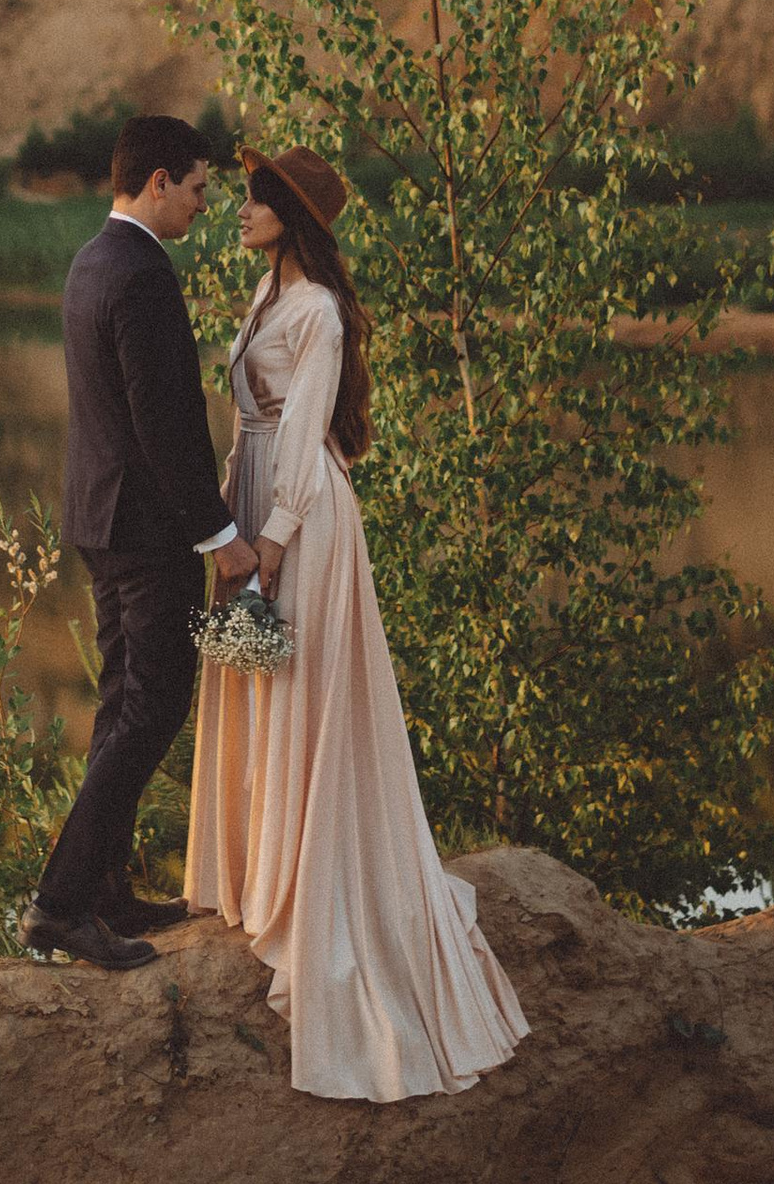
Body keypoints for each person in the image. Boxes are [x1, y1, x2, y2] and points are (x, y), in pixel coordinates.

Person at [186, 146, 527, 1102]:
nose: (242, 211)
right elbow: (253, 422)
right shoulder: (265, 296)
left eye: (256, 202)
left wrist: (275, 547)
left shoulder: (320, 313)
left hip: (303, 520)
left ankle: (310, 891)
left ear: (293, 218)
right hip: (252, 501)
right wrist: (224, 523)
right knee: (257, 677)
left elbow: (302, 434)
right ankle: (261, 872)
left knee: (294, 681)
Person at [28, 112, 256, 971]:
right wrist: (221, 535)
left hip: (98, 516)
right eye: (197, 188)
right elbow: (164, 422)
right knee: (154, 707)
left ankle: (105, 890)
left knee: (123, 700)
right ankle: (58, 905)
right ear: (159, 180)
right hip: (146, 527)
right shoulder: (145, 275)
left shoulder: (92, 261)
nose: (203, 205)